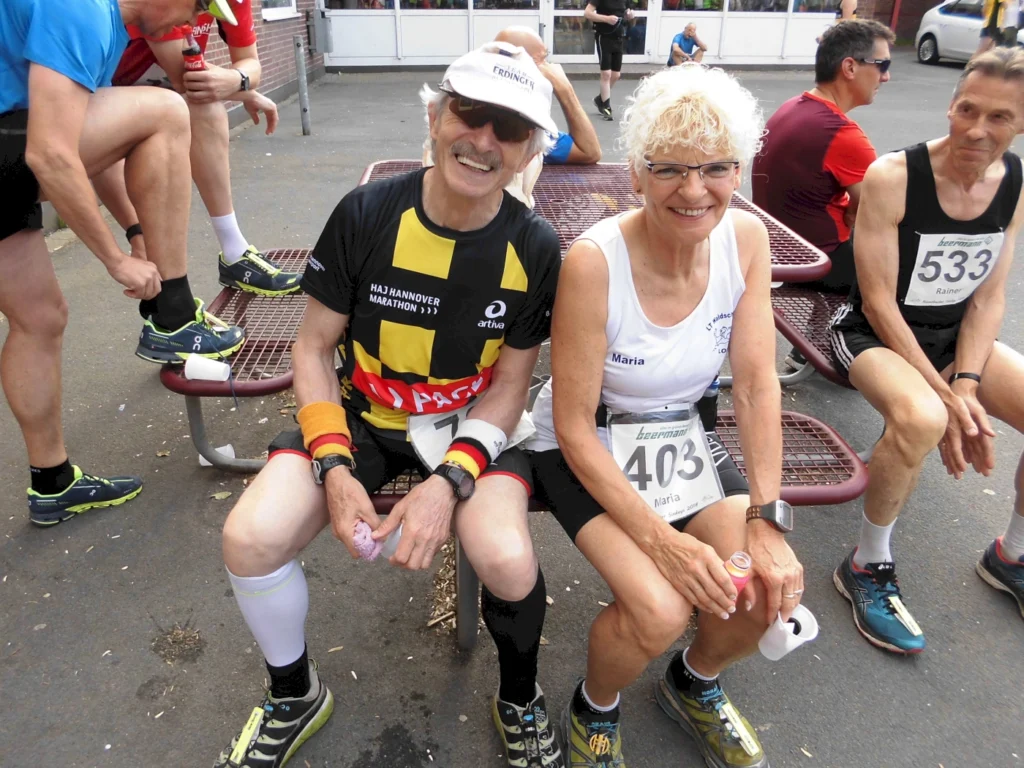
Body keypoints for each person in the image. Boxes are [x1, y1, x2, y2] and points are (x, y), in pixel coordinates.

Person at [214, 42, 565, 768]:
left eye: (510, 129)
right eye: (470, 115)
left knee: (505, 556)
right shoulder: (368, 213)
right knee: (249, 540)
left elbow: (509, 389)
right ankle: (294, 693)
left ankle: (520, 698)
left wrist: (448, 483)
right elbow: (310, 351)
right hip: (364, 420)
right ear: (436, 116)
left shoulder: (534, 247)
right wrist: (336, 467)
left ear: (532, 147)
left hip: (473, 431)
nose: (484, 142)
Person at [527, 63, 804, 768]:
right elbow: (571, 424)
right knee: (658, 608)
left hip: (681, 429)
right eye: (669, 169)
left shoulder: (745, 239)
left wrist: (767, 519)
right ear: (636, 175)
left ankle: (694, 683)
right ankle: (595, 705)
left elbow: (754, 385)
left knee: (757, 588)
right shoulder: (594, 263)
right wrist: (662, 541)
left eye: (715, 167)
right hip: (585, 441)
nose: (694, 189)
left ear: (737, 169)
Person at [0, 0, 245, 526]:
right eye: (196, 5)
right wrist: (114, 260)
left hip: (7, 148)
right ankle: (175, 317)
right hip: (6, 149)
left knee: (39, 319)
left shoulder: (103, 25)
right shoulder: (81, 10)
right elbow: (52, 155)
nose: (188, 24)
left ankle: (52, 483)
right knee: (166, 109)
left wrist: (134, 232)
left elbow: (91, 148)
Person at [829, 48, 1024, 653]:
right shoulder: (894, 176)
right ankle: (866, 564)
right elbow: (881, 304)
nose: (975, 129)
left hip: (954, 338)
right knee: (919, 417)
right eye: (967, 109)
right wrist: (943, 397)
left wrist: (965, 383)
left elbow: (989, 296)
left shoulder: (1014, 180)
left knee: (952, 404)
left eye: (999, 117)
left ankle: (1011, 554)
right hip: (870, 333)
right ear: (950, 103)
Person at [100, 0, 302, 297]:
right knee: (191, 106)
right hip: (102, 93)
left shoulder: (235, 1)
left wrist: (238, 80)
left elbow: (251, 63)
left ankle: (233, 251)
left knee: (202, 105)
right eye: (201, 7)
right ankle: (156, 272)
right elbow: (185, 77)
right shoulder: (166, 6)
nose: (198, 19)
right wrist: (244, 89)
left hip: (154, 91)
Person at [753, 19, 893, 296]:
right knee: (901, 276)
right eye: (883, 65)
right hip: (818, 258)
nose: (886, 77)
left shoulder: (791, 107)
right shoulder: (842, 133)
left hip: (778, 243)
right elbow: (882, 213)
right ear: (850, 67)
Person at [495, 26, 603, 165]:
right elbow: (589, 152)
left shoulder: (529, 123)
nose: (549, 67)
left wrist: (565, 89)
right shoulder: (523, 129)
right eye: (542, 60)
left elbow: (590, 152)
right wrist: (565, 90)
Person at [585, 0, 634, 121]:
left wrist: (629, 15)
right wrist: (606, 19)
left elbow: (627, 12)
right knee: (606, 74)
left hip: (618, 38)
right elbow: (587, 13)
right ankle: (606, 108)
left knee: (616, 75)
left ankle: (599, 99)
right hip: (604, 37)